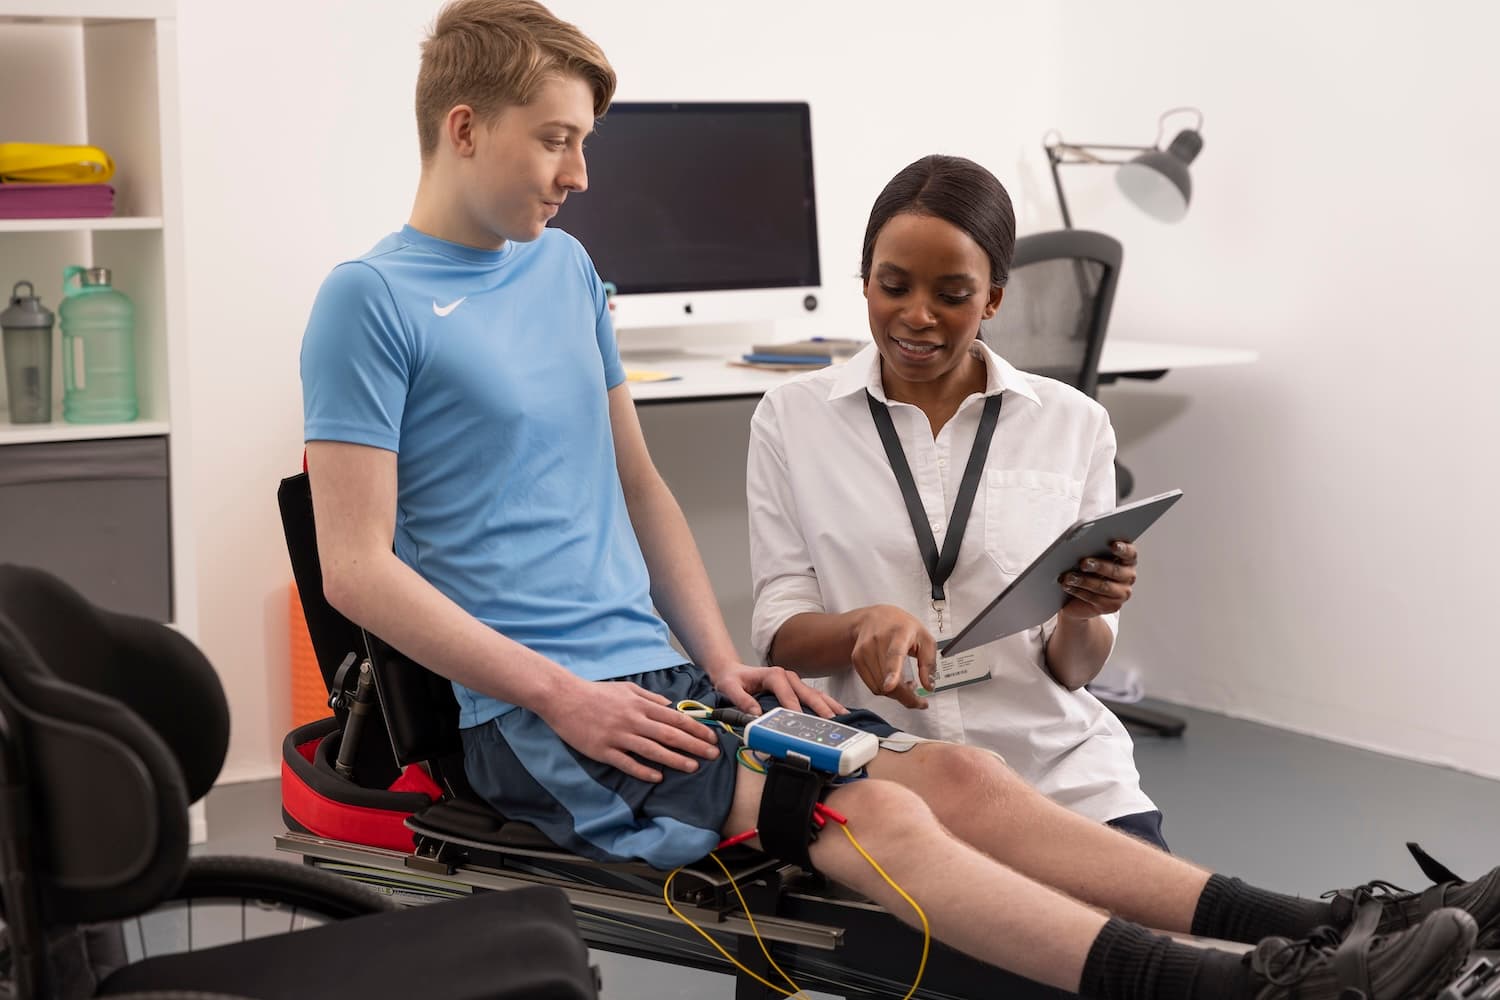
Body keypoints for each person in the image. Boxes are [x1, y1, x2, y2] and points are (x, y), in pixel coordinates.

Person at [299, 2, 1498, 996]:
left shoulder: (564, 269)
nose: (581, 173)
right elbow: (356, 567)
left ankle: (1346, 921)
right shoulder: (370, 301)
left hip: (655, 684)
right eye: (557, 141)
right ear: (465, 128)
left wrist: (717, 662)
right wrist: (560, 695)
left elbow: (641, 483)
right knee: (876, 820)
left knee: (963, 779)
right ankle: (1256, 987)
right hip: (533, 721)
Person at [747, 154, 1164, 848]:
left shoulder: (1075, 423)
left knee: (1155, 909)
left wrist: (1085, 612)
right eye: (893, 286)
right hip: (884, 767)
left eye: (952, 294)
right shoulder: (791, 418)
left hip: (1054, 770)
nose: (917, 316)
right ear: (865, 281)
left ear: (993, 299)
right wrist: (859, 627)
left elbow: (1075, 669)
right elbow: (781, 634)